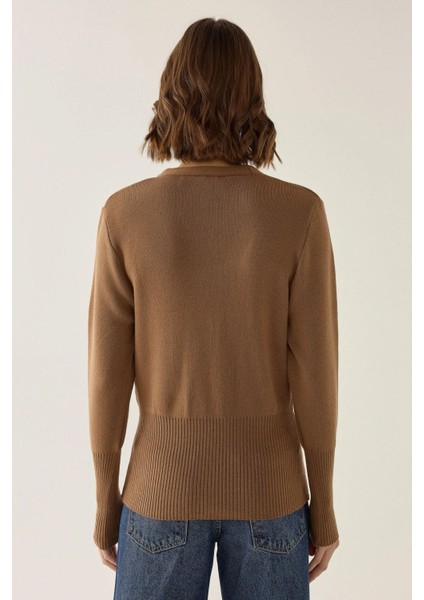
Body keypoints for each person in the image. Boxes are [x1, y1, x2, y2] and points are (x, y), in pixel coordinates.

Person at [88, 17, 340, 600]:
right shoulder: (299, 213)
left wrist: (105, 505)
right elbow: (317, 375)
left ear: (171, 95)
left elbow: (106, 378)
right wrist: (323, 507)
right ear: (252, 98)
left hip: (160, 491)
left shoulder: (124, 215)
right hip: (271, 494)